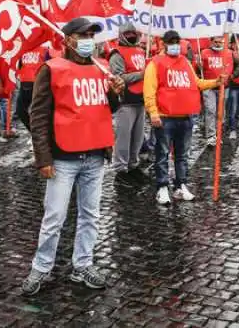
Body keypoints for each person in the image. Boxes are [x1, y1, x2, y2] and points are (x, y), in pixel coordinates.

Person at [22, 18, 125, 295]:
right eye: (83, 35)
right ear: (67, 40)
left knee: (90, 215)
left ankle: (83, 264)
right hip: (63, 158)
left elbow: (105, 108)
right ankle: (41, 268)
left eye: (92, 34)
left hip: (95, 155)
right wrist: (43, 158)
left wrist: (116, 94)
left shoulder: (99, 67)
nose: (89, 39)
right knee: (54, 216)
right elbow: (38, 116)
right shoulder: (51, 69)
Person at [144, 30, 225, 205]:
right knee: (163, 154)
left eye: (177, 42)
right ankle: (162, 187)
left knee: (182, 155)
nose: (174, 45)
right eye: (171, 42)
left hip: (186, 117)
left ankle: (181, 185)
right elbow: (149, 90)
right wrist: (153, 112)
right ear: (164, 44)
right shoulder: (155, 63)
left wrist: (215, 82)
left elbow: (196, 83)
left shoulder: (185, 62)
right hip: (165, 117)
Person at [109, 23, 147, 177]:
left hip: (141, 100)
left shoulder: (141, 51)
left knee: (138, 136)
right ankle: (120, 168)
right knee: (123, 137)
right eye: (128, 33)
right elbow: (119, 77)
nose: (132, 36)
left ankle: (133, 163)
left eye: (133, 33)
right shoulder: (116, 54)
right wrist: (141, 74)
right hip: (126, 101)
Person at [200, 35, 239, 146]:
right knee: (210, 110)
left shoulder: (230, 53)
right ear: (211, 41)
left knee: (220, 113)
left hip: (224, 87)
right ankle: (211, 136)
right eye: (216, 42)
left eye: (220, 42)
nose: (218, 44)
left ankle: (219, 134)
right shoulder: (204, 53)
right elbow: (197, 68)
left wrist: (232, 76)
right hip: (209, 87)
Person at [16, 45, 47, 131]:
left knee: (39, 112)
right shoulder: (22, 49)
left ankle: (41, 132)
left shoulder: (44, 50)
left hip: (38, 85)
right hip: (24, 85)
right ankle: (35, 131)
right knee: (20, 111)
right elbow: (18, 65)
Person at [226, 35, 239, 140]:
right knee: (233, 109)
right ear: (232, 44)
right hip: (233, 86)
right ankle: (233, 129)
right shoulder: (229, 54)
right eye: (237, 43)